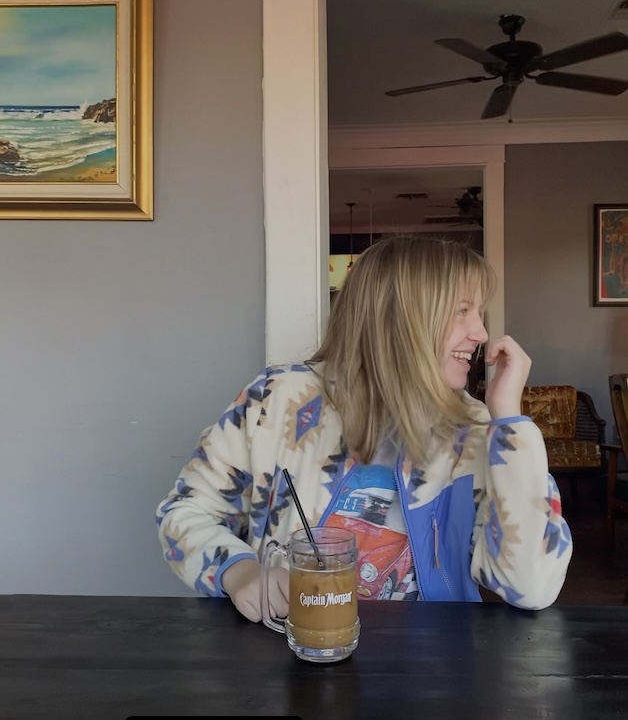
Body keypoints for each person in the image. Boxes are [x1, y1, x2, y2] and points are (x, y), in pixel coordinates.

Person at [156, 235, 571, 622]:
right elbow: (187, 511)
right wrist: (240, 572)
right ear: (401, 316)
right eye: (463, 310)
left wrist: (510, 423)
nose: (481, 333)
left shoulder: (477, 429)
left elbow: (531, 587)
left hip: (437, 673)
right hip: (292, 653)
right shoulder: (277, 398)